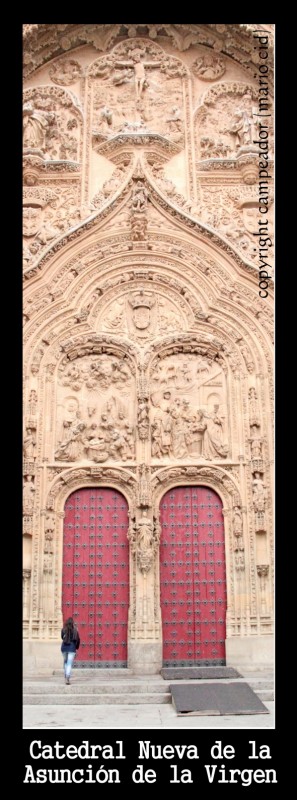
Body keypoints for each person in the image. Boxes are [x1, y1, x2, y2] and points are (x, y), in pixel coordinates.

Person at [61, 617, 80, 684]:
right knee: (69, 663)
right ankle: (67, 677)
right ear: (72, 623)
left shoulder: (63, 629)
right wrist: (76, 647)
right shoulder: (75, 630)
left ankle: (66, 676)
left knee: (66, 662)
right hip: (72, 648)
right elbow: (78, 639)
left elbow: (62, 637)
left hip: (64, 648)